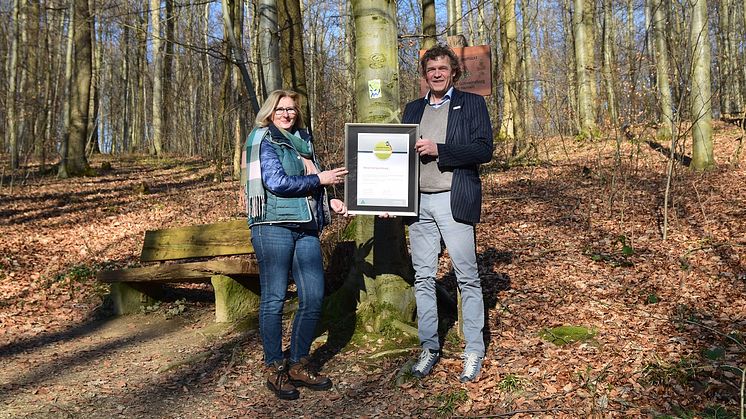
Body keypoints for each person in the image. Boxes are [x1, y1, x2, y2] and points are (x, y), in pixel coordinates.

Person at [243, 90, 348, 400]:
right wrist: (321, 181)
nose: (287, 114)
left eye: (291, 109)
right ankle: (274, 368)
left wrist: (333, 201)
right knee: (274, 298)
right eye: (281, 109)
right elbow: (276, 183)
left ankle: (299, 362)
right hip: (272, 225)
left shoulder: (304, 141)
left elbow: (317, 180)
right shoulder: (264, 140)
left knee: (314, 296)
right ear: (270, 112)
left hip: (306, 226)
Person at [402, 45, 493, 382]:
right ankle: (429, 348)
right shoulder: (412, 110)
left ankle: (473, 350)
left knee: (466, 277)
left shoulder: (472, 104)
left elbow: (484, 148)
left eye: (442, 68)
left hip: (453, 201)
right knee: (422, 278)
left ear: (454, 71)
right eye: (431, 70)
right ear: (424, 75)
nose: (437, 74)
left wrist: (441, 150)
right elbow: (396, 160)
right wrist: (387, 200)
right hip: (418, 204)